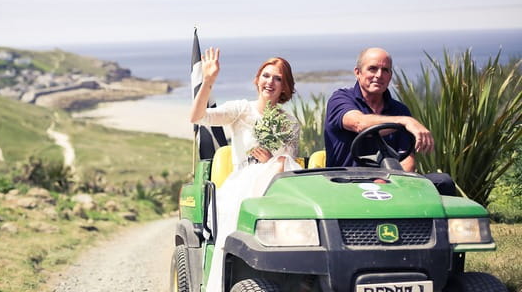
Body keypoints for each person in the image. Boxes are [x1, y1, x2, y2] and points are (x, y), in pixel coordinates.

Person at [190, 47, 302, 292]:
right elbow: (198, 117)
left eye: (278, 78)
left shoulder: (291, 123)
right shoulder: (242, 110)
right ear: (257, 80)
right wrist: (208, 81)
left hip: (276, 184)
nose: (270, 82)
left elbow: (288, 163)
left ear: (285, 87)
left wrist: (272, 159)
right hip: (243, 182)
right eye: (266, 75)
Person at [324, 47, 456, 195]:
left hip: (390, 184)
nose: (379, 75)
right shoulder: (340, 99)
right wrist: (405, 121)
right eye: (372, 69)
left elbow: (407, 161)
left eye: (385, 70)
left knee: (443, 182)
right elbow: (359, 123)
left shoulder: (400, 110)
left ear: (390, 76)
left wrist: (385, 182)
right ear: (358, 73)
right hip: (346, 185)